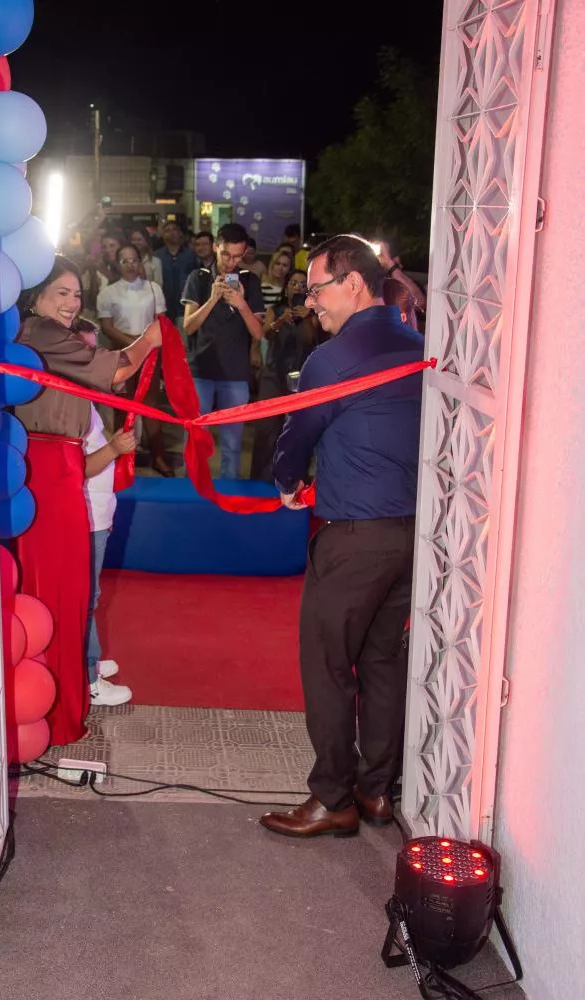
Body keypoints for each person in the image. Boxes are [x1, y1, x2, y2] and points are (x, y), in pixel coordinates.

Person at [260, 234, 424, 838]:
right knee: (382, 662)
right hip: (415, 535)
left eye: (316, 289)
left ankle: (332, 797)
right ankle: (375, 790)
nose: (310, 302)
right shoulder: (420, 346)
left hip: (354, 535)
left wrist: (286, 481)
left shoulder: (333, 359)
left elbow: (298, 434)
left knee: (329, 665)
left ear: (353, 283)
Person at [14, 255, 162, 747]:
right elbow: (118, 370)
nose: (71, 302)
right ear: (36, 296)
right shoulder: (42, 333)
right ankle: (57, 704)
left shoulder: (51, 334)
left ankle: (65, 693)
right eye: (61, 292)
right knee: (63, 588)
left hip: (60, 464)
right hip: (50, 468)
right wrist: (150, 339)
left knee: (73, 589)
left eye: (77, 294)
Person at [181, 222, 264, 479]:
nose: (231, 262)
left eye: (237, 256)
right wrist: (212, 299)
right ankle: (192, 490)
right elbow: (188, 326)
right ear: (216, 247)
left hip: (236, 373)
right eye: (226, 254)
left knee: (232, 444)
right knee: (195, 439)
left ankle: (229, 494)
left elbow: (258, 333)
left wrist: (241, 304)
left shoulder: (250, 280)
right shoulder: (198, 277)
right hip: (200, 370)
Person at [96, 244, 173, 476]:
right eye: (124, 261)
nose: (130, 265)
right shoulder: (108, 293)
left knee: (151, 406)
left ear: (141, 261)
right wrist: (135, 344)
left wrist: (146, 345)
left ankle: (158, 456)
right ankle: (122, 459)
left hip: (150, 355)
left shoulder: (153, 289)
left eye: (133, 260)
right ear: (117, 263)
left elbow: (161, 322)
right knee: (122, 406)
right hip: (121, 355)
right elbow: (107, 327)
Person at [83, 403, 135, 707]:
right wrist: (114, 448)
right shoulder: (70, 404)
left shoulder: (84, 403)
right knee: (86, 598)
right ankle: (88, 678)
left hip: (97, 515)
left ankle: (88, 660)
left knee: (91, 596)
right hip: (87, 518)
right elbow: (80, 466)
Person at [250, 270, 320, 482]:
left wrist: (307, 318)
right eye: (293, 283)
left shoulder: (315, 314)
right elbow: (266, 334)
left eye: (302, 284)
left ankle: (292, 480)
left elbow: (310, 339)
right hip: (273, 375)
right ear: (286, 287)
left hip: (301, 379)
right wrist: (280, 321)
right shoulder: (275, 309)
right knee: (267, 429)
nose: (297, 287)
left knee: (296, 431)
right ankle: (260, 479)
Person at [155, 220, 199, 327]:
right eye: (167, 230)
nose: (172, 233)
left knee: (183, 336)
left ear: (180, 233)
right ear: (162, 235)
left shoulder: (191, 255)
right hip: (163, 307)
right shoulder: (157, 256)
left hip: (184, 307)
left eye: (174, 229)